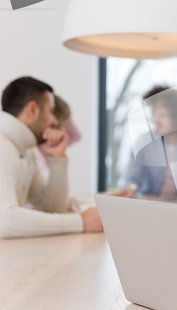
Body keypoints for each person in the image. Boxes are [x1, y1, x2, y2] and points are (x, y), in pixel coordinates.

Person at [0, 77, 102, 238]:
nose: (54, 120)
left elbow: (52, 209)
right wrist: (81, 222)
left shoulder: (26, 152)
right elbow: (4, 221)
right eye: (50, 110)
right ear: (32, 110)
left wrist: (58, 158)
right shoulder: (3, 145)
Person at [32, 94, 82, 179]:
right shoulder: (33, 151)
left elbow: (76, 135)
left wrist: (65, 111)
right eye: (62, 125)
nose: (64, 129)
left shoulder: (55, 144)